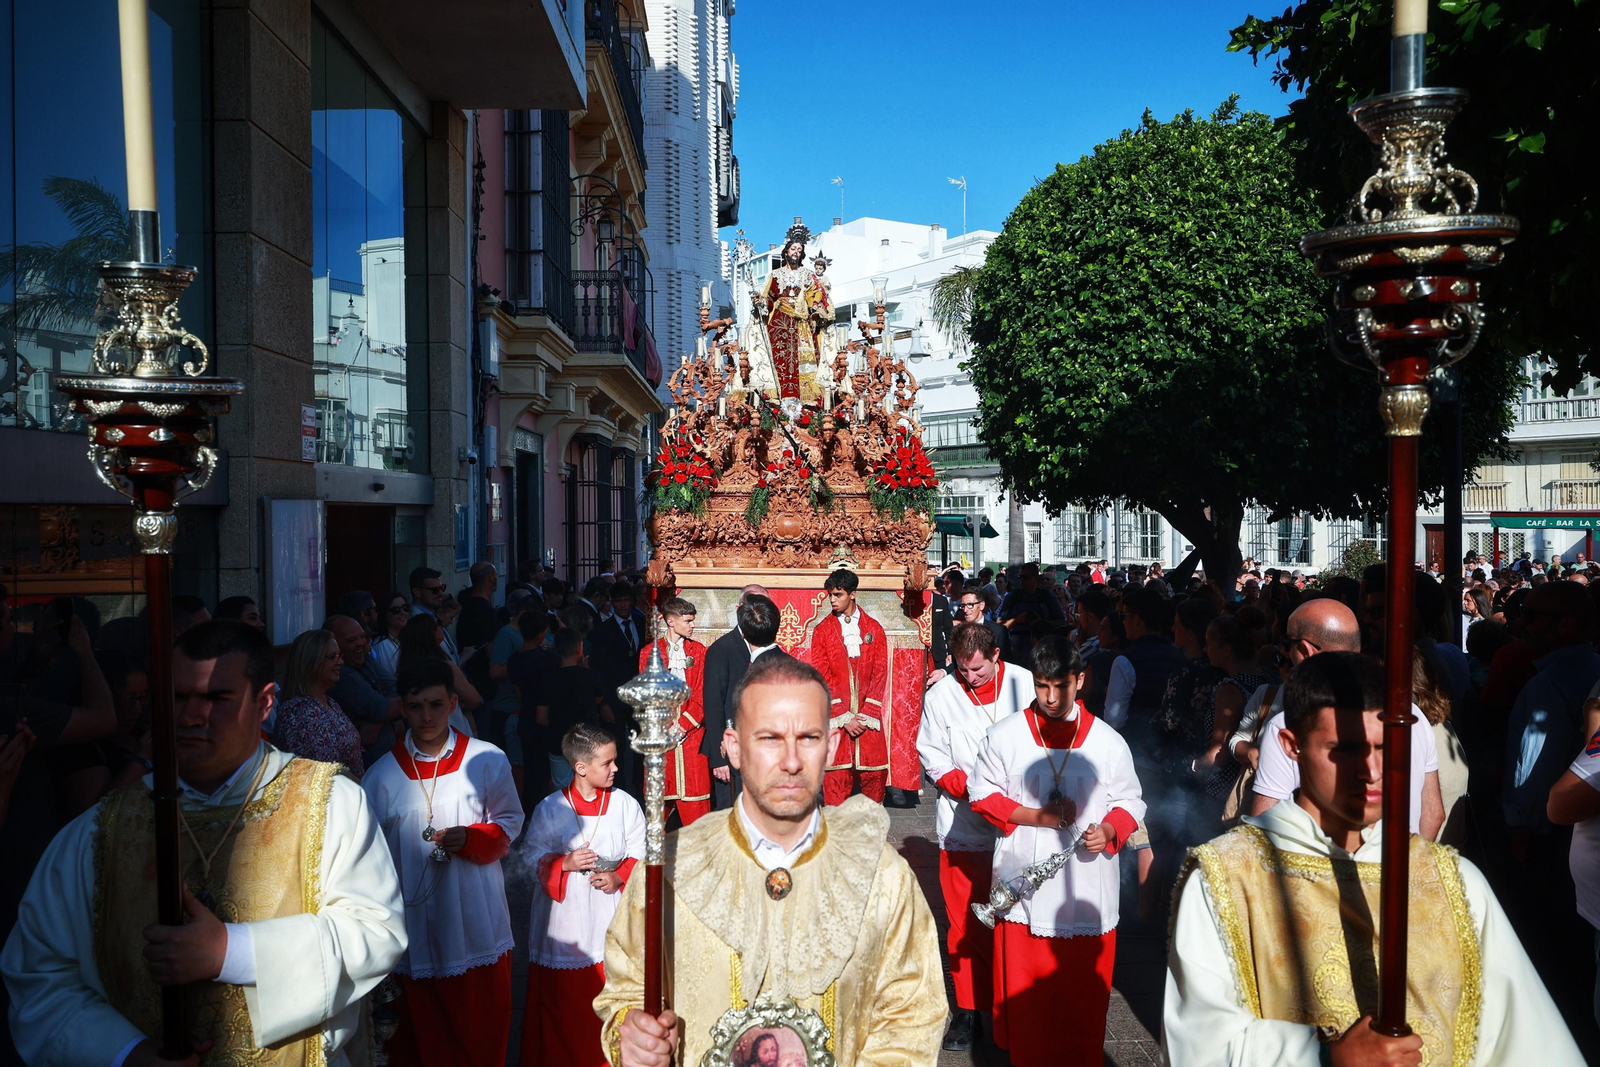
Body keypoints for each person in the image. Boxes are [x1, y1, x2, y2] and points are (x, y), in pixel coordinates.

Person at [1, 620, 406, 1066]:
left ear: (264, 701)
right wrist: (124, 1052)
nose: (191, 716)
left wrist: (228, 951)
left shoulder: (329, 804)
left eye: (216, 698)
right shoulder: (100, 831)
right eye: (178, 698)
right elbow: (40, 972)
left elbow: (376, 930)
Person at [1164, 651, 1584, 1067]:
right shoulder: (1226, 877)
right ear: (1292, 746)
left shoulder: (1453, 879)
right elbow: (1200, 1040)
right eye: (1343, 749)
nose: (1371, 770)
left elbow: (1523, 1039)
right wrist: (1324, 1057)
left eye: (1385, 747)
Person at [597, 655, 947, 1066]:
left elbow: (912, 1013)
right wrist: (633, 1038)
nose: (792, 761)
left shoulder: (882, 876)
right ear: (733, 748)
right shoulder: (670, 871)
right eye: (769, 738)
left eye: (809, 737)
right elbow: (627, 991)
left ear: (831, 746)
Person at [966, 636, 1144, 1067]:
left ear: (1080, 681)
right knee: (1030, 1012)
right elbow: (982, 795)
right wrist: (1038, 817)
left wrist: (1110, 828)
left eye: (1060, 686)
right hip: (1024, 890)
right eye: (1042, 686)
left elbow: (1131, 800)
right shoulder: (1005, 736)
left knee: (1079, 1004)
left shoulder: (1107, 742)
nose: (1049, 697)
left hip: (1086, 892)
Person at [362, 658, 522, 1067]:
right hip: (414, 926)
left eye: (436, 704)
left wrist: (472, 838)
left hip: (474, 919)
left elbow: (510, 821)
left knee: (478, 1035)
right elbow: (370, 855)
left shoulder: (487, 759)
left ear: (453, 703)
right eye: (416, 707)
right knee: (421, 1041)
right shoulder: (380, 777)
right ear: (403, 706)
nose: (427, 716)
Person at [917, 622, 1035, 1052]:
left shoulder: (1025, 683)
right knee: (965, 922)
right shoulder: (941, 694)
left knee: (1014, 920)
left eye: (979, 672)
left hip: (1020, 825)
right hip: (964, 825)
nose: (970, 680)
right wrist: (968, 789)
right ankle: (968, 1013)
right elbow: (931, 751)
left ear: (996, 657)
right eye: (963, 671)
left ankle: (1009, 1004)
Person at [1243, 600, 1445, 838]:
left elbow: (1266, 828)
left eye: (1288, 644)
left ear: (1305, 650)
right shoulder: (1409, 714)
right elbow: (1433, 814)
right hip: (1400, 867)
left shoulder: (1290, 724)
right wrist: (1409, 868)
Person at [519, 724, 644, 1067]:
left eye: (615, 761)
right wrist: (565, 862)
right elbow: (531, 858)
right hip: (566, 922)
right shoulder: (550, 808)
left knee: (610, 998)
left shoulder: (624, 804)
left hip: (610, 917)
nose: (616, 768)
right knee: (565, 1005)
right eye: (608, 763)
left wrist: (619, 875)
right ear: (581, 767)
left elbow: (643, 853)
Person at [812, 568, 890, 805]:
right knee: (835, 782)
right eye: (830, 595)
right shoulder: (822, 631)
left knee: (875, 777)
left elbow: (880, 673)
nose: (832, 600)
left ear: (853, 594)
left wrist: (866, 715)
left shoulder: (874, 629)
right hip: (838, 720)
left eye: (838, 595)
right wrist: (844, 717)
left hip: (868, 720)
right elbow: (821, 675)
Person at [700, 586, 777, 809]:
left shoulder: (772, 650)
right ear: (740, 609)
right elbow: (714, 705)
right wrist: (719, 758)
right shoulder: (721, 649)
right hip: (729, 751)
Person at [640, 596, 711, 826]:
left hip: (692, 739)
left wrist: (683, 725)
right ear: (671, 622)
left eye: (693, 620)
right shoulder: (648, 653)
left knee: (696, 813)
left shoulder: (699, 652)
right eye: (688, 621)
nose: (693, 625)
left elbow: (702, 693)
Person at [271, 627, 364, 777]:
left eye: (339, 655)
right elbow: (323, 776)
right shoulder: (300, 714)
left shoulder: (329, 702)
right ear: (311, 662)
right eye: (332, 656)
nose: (340, 662)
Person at [535, 627, 610, 790]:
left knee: (562, 789)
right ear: (579, 648)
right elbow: (598, 698)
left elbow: (540, 718)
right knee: (589, 788)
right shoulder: (590, 676)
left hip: (559, 741)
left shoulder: (549, 679)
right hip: (587, 742)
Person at [326, 614, 403, 772]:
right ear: (334, 645)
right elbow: (380, 709)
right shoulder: (343, 676)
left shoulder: (365, 659)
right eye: (351, 640)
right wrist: (389, 713)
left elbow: (399, 686)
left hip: (388, 759)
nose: (361, 643)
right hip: (367, 767)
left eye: (362, 637)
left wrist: (378, 722)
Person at [397, 613, 480, 737]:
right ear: (433, 633)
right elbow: (474, 699)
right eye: (438, 624)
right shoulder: (446, 668)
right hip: (453, 733)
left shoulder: (406, 669)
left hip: (421, 735)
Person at [410, 567, 457, 662]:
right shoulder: (414, 621)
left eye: (442, 587)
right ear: (417, 592)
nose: (440, 593)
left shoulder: (433, 616)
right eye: (435, 590)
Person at [371, 591, 411, 679]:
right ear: (384, 614)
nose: (403, 612)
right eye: (396, 610)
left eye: (405, 608)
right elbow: (391, 679)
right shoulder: (382, 645)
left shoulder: (403, 640)